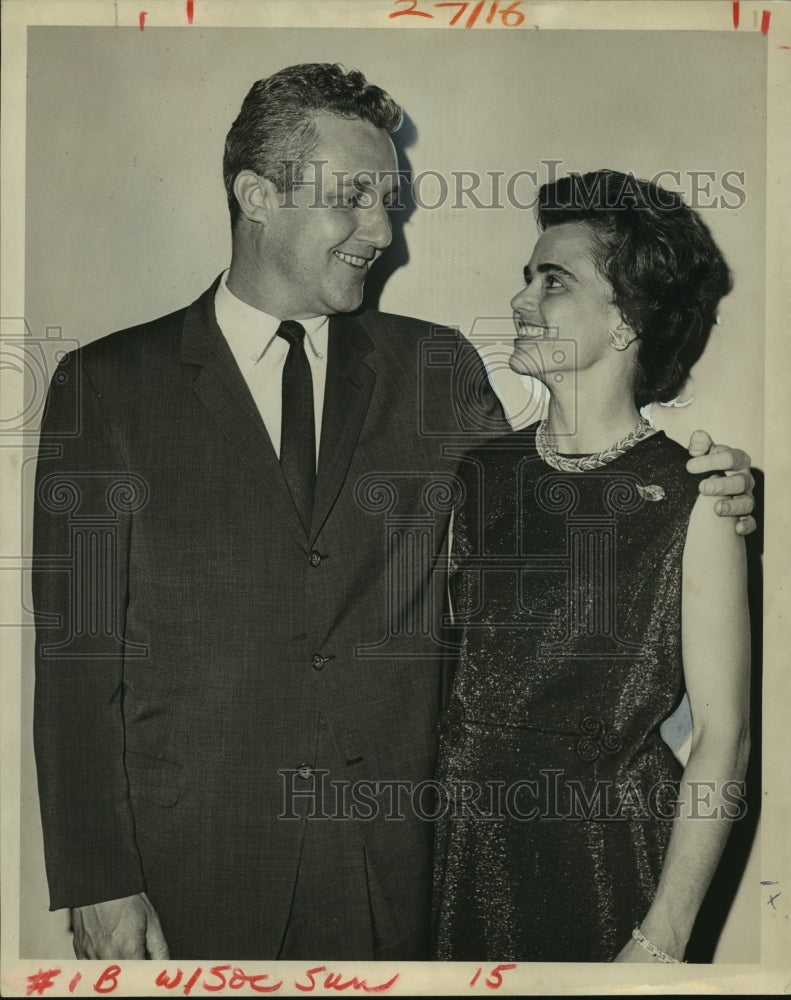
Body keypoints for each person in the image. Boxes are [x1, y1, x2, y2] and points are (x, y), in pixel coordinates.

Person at [32, 67, 755, 963]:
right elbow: (75, 662)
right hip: (191, 871)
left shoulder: (435, 371)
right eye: (354, 198)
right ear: (256, 194)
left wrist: (705, 478)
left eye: (391, 200)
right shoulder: (108, 388)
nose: (382, 230)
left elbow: (561, 495)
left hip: (403, 875)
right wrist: (98, 876)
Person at [431, 169, 752, 963]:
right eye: (526, 278)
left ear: (625, 323)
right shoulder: (474, 476)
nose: (520, 301)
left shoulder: (696, 494)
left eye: (554, 281)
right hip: (461, 853)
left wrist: (662, 938)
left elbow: (722, 735)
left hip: (611, 864)